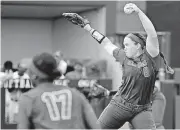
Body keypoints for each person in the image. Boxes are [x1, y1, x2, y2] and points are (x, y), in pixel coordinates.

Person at [62, 3, 173, 129]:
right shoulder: (122, 56)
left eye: (127, 44)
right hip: (119, 105)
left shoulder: (150, 56)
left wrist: (139, 12)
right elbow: (105, 42)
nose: (124, 47)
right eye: (123, 45)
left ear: (138, 45)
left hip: (142, 109)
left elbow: (151, 34)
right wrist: (87, 27)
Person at [16, 52, 100, 129]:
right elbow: (95, 127)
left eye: (29, 70)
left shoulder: (28, 98)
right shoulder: (76, 94)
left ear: (34, 75)